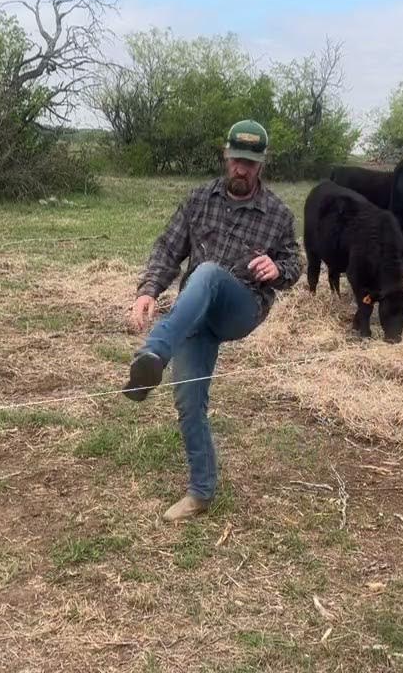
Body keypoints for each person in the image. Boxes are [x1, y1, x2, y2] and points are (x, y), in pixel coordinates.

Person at [123, 120, 302, 522]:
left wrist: (278, 267)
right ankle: (201, 492)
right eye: (238, 161)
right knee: (189, 401)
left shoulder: (277, 213)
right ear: (226, 156)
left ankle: (154, 351)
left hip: (241, 308)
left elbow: (295, 263)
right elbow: (168, 248)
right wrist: (148, 290)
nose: (243, 170)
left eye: (251, 164)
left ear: (262, 164)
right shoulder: (199, 199)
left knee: (206, 274)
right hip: (195, 314)